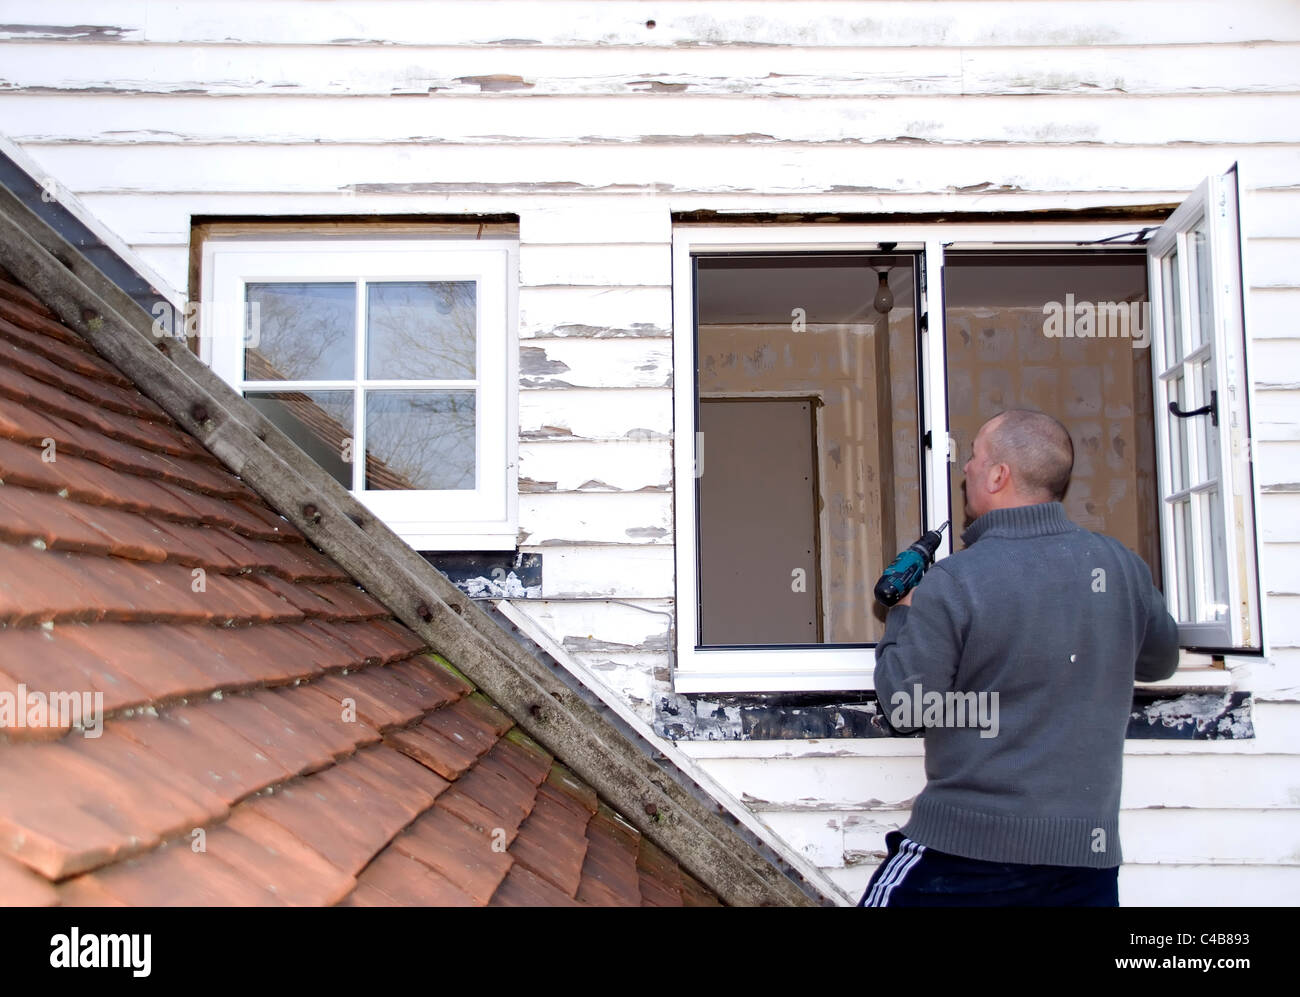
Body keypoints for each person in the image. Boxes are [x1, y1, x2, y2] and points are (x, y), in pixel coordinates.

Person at [859, 409, 1179, 907]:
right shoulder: (1120, 566)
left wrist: (903, 613)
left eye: (972, 456)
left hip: (963, 857)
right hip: (1084, 862)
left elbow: (908, 709)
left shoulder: (954, 581)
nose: (964, 468)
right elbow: (1160, 662)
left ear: (998, 475)